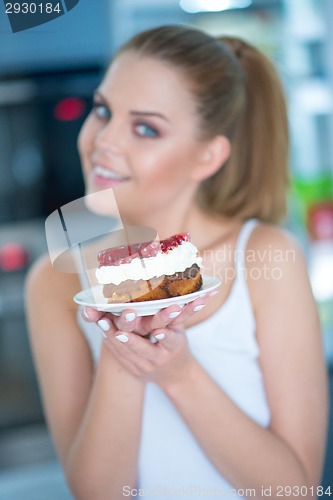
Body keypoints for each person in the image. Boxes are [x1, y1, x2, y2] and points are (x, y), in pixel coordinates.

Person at [26, 25, 328, 499]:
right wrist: (125, 350)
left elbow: (294, 490)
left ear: (208, 156)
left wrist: (178, 374)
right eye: (103, 110)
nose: (104, 141)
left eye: (146, 128)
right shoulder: (54, 280)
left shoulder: (266, 257)